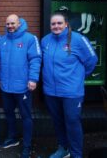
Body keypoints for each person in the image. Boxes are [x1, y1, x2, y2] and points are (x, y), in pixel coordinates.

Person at [41, 12, 98, 158]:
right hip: (51, 91)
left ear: (66, 24)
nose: (56, 26)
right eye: (53, 24)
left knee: (72, 123)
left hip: (71, 92)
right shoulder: (45, 40)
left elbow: (92, 60)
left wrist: (79, 77)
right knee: (58, 122)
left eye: (59, 23)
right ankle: (63, 148)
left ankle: (76, 154)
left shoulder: (78, 39)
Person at [0, 14, 42, 158]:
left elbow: (35, 59)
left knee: (26, 116)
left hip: (23, 86)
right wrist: (0, 79)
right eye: (8, 24)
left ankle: (27, 146)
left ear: (19, 23)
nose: (10, 26)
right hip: (5, 87)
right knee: (9, 113)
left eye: (13, 23)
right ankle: (13, 137)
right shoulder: (2, 40)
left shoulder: (30, 39)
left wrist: (33, 79)